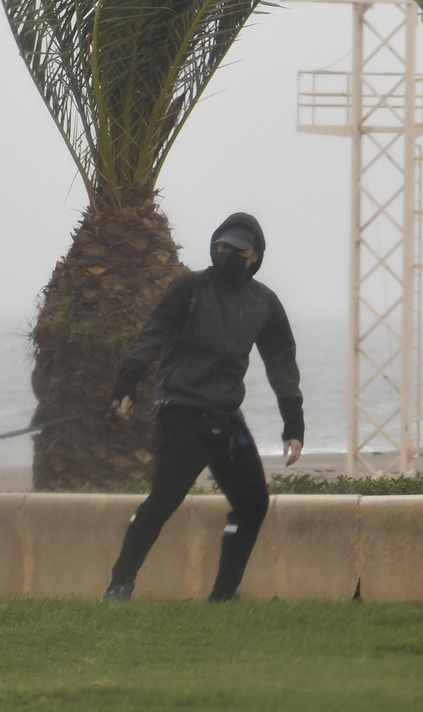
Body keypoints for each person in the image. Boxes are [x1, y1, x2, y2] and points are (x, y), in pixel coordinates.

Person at [102, 212, 304, 603]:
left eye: (237, 250)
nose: (226, 254)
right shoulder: (191, 288)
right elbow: (152, 336)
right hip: (181, 413)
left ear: (256, 256)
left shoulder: (264, 303)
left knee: (253, 506)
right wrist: (126, 384)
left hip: (227, 422)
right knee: (164, 500)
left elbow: (282, 365)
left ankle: (224, 595)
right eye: (221, 247)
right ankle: (119, 585)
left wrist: (293, 425)